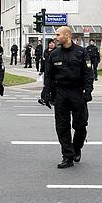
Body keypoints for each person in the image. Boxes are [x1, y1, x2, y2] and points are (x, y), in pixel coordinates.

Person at [40, 26, 93, 169]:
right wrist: (46, 93)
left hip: (77, 92)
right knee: (62, 126)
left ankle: (77, 147)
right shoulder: (54, 54)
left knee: (80, 125)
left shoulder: (81, 53)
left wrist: (88, 91)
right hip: (61, 92)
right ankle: (67, 156)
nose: (56, 37)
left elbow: (88, 74)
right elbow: (49, 76)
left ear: (67, 35)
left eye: (58, 34)